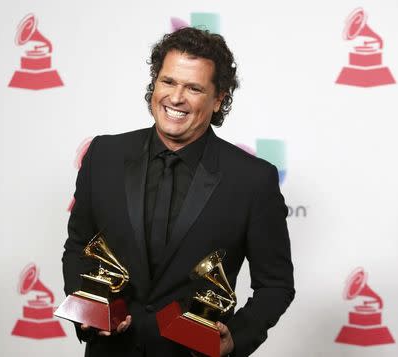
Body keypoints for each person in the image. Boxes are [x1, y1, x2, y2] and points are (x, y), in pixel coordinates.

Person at [62, 27, 294, 357]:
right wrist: (86, 307)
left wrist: (235, 340)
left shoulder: (253, 179)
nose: (176, 97)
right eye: (168, 82)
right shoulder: (104, 155)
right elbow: (77, 246)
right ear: (154, 84)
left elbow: (276, 285)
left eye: (194, 88)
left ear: (218, 98)